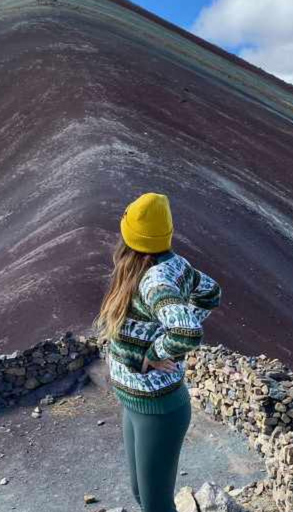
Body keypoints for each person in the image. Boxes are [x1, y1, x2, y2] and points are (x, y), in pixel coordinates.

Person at [93, 192, 222, 512]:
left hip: (160, 407)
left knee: (156, 506)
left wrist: (157, 351)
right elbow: (211, 294)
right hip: (136, 402)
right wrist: (165, 336)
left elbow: (187, 331)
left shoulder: (155, 281)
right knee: (141, 495)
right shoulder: (174, 266)